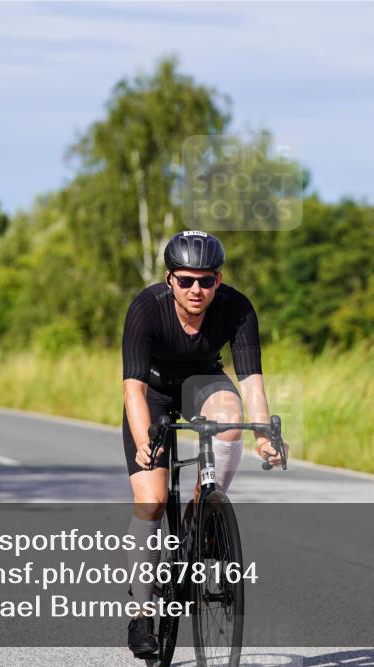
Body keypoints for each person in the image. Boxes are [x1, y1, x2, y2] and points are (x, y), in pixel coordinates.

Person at [120, 230, 288, 658]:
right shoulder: (146, 307)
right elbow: (133, 390)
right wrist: (144, 443)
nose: (197, 290)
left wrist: (265, 435)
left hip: (203, 382)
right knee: (152, 501)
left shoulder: (236, 307)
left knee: (231, 422)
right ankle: (141, 615)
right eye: (186, 281)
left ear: (219, 278)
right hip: (154, 393)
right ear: (169, 278)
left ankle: (205, 511)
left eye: (207, 281)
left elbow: (251, 381)